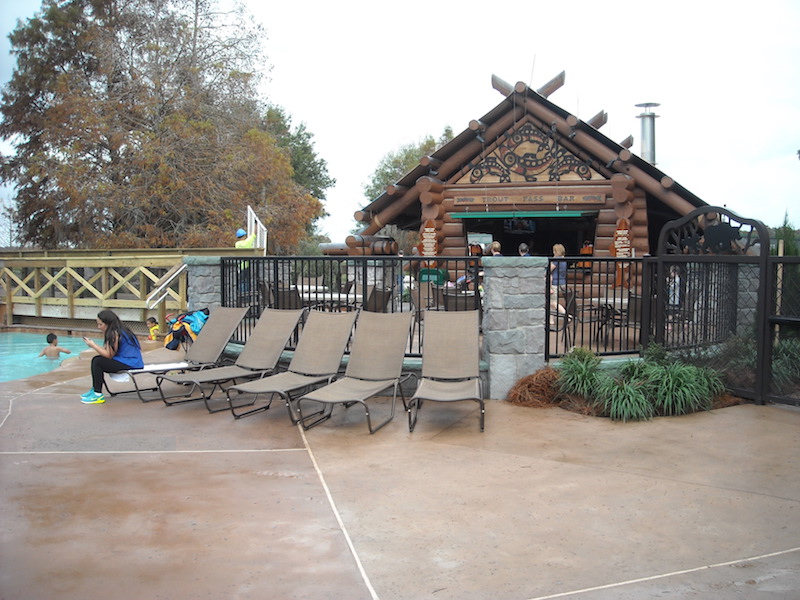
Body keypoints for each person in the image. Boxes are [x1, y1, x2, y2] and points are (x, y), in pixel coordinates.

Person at [80, 309, 144, 404]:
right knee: (98, 360)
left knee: (97, 361)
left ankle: (97, 394)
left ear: (108, 324)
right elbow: (108, 350)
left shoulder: (114, 333)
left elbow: (109, 355)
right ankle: (95, 389)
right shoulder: (118, 329)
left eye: (101, 324)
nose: (99, 327)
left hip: (131, 362)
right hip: (130, 361)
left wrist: (93, 345)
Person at [235, 228, 256, 294]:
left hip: (240, 265)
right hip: (246, 265)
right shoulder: (246, 242)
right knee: (245, 281)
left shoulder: (237, 244)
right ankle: (245, 296)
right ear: (244, 236)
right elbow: (253, 236)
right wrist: (255, 228)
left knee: (242, 281)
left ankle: (242, 296)